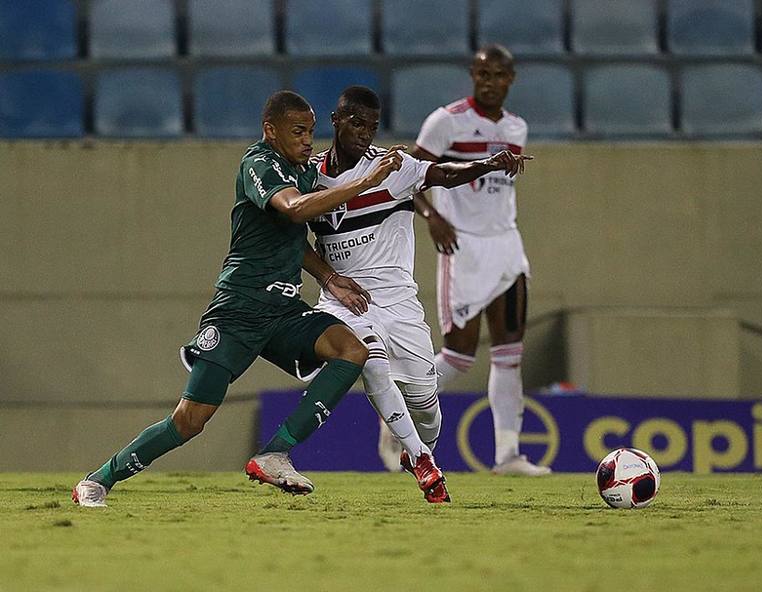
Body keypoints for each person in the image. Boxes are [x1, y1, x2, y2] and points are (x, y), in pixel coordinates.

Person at [72, 90, 403, 507]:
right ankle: (99, 479)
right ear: (271, 130)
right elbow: (296, 210)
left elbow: (293, 236)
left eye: (310, 131)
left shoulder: (300, 169)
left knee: (351, 350)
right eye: (297, 131)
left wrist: (329, 276)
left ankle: (275, 453)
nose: (307, 140)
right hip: (239, 309)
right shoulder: (258, 163)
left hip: (282, 310)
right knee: (190, 421)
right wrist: (367, 182)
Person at [302, 85, 530, 502]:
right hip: (344, 299)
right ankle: (422, 459)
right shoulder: (309, 176)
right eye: (355, 123)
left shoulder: (394, 167)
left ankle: (415, 443)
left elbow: (443, 173)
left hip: (398, 301)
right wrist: (328, 277)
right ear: (335, 121)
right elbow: (292, 235)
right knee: (367, 356)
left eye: (371, 126)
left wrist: (488, 164)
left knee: (426, 406)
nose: (364, 133)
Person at [398, 44, 551, 476]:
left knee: (509, 353)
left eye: (499, 75)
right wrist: (431, 218)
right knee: (460, 356)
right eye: (483, 75)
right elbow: (408, 178)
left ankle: (508, 456)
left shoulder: (517, 128)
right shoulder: (444, 122)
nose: (490, 82)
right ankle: (398, 414)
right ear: (472, 75)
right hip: (461, 245)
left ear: (511, 79)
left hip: (506, 244)